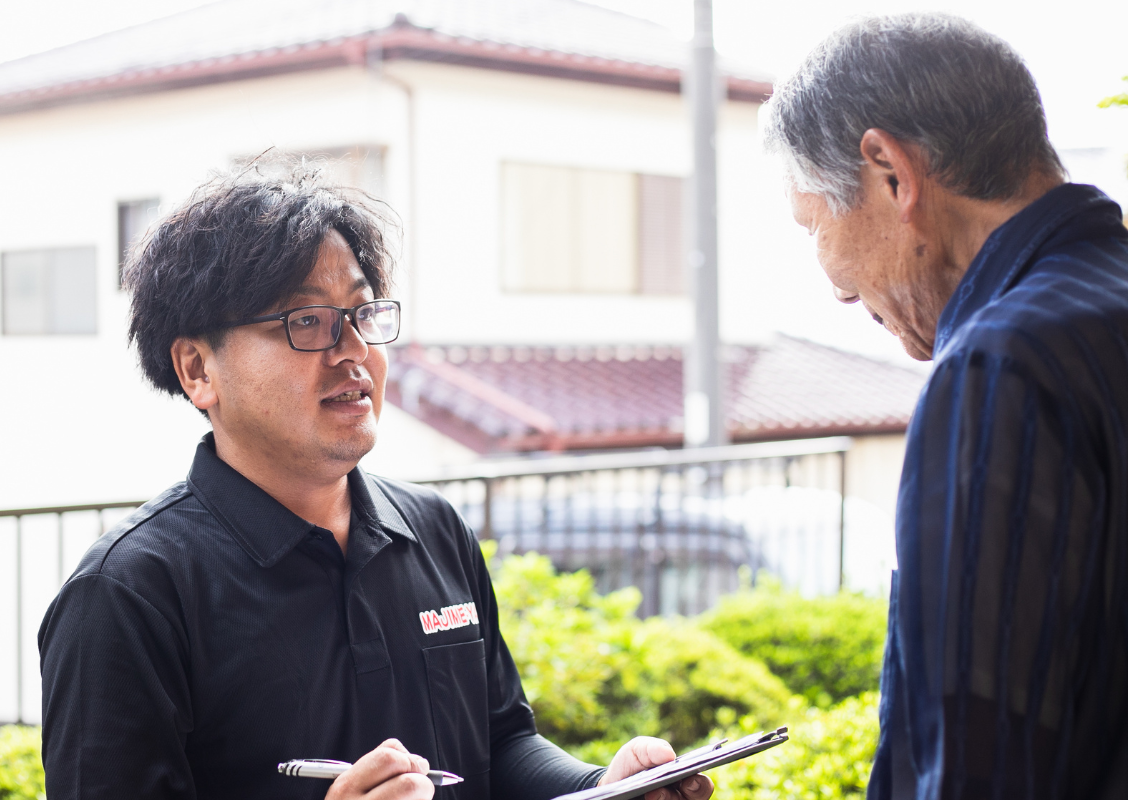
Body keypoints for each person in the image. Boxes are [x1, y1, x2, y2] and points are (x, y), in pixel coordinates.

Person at [37, 164, 715, 800]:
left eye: (362, 315)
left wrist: (603, 787)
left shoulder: (433, 528)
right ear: (197, 370)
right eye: (306, 322)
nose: (355, 351)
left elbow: (502, 741)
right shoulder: (125, 596)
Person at [765, 13, 1128, 800]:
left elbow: (978, 764)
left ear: (890, 172)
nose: (835, 286)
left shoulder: (1000, 366)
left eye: (812, 223)